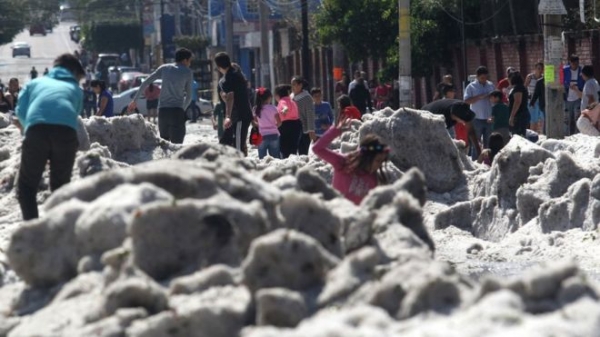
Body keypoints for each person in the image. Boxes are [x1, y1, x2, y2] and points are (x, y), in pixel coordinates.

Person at [14, 53, 85, 220]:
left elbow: (20, 111)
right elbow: (74, 115)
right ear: (73, 72)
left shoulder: (34, 83)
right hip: (66, 134)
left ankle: (33, 230)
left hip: (36, 130)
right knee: (61, 188)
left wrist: (30, 128)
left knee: (26, 187)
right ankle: (57, 231)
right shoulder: (76, 90)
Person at [312, 115, 390, 205]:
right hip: (335, 213)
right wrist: (335, 131)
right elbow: (317, 149)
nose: (379, 165)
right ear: (368, 156)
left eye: (381, 162)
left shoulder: (373, 179)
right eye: (378, 160)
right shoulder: (342, 162)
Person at [129, 48, 194, 144]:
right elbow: (189, 97)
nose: (190, 63)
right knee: (177, 148)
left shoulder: (164, 68)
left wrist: (135, 100)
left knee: (165, 147)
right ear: (185, 60)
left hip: (162, 112)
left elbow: (146, 82)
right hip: (177, 111)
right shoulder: (187, 72)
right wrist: (181, 110)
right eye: (190, 61)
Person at [214, 52, 253, 155]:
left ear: (218, 66)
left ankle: (240, 165)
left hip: (239, 116)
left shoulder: (228, 79)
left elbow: (230, 97)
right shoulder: (238, 75)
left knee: (238, 145)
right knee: (228, 142)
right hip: (240, 115)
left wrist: (227, 116)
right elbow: (244, 97)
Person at [464, 66, 495, 157]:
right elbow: (466, 101)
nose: (484, 80)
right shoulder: (471, 87)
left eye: (485, 77)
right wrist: (479, 97)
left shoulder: (490, 85)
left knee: (488, 143)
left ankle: (487, 162)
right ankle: (476, 162)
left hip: (489, 118)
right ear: (477, 77)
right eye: (482, 78)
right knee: (476, 144)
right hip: (476, 118)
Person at [253, 87, 281, 159]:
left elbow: (255, 122)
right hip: (274, 135)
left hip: (261, 136)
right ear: (269, 98)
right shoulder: (273, 108)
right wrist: (274, 126)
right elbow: (279, 122)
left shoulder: (256, 109)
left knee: (262, 158)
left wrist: (261, 125)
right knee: (276, 158)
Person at [291, 76, 316, 155]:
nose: (293, 87)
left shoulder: (307, 98)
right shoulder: (291, 97)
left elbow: (310, 114)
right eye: (292, 84)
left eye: (294, 84)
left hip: (303, 128)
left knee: (303, 151)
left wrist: (311, 130)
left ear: (300, 85)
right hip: (293, 127)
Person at [275, 84, 301, 158]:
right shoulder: (292, 101)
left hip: (286, 126)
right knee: (293, 148)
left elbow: (285, 107)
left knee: (285, 149)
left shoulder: (282, 101)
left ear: (277, 95)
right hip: (296, 125)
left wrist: (284, 110)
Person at [563, 55, 585, 135]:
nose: (575, 65)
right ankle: (566, 134)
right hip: (567, 97)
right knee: (566, 119)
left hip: (578, 98)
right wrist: (567, 85)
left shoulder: (581, 71)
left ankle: (577, 134)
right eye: (573, 64)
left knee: (577, 117)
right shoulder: (565, 70)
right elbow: (562, 81)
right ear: (570, 63)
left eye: (576, 63)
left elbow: (583, 83)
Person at [508, 72, 530, 137]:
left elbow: (517, 102)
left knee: (518, 137)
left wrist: (512, 117)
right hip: (520, 115)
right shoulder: (518, 87)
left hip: (519, 116)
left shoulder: (518, 88)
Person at [525, 62, 544, 134]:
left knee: (543, 120)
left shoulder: (543, 78)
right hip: (532, 101)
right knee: (533, 121)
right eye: (538, 68)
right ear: (535, 69)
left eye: (541, 69)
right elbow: (525, 87)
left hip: (540, 101)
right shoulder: (530, 77)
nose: (540, 70)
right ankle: (532, 136)